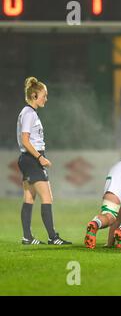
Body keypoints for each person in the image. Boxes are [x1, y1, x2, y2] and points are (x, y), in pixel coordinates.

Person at [17, 77, 71, 245]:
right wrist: (40, 158)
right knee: (47, 197)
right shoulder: (29, 113)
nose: (45, 99)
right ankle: (52, 237)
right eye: (44, 95)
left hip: (28, 158)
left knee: (29, 197)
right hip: (32, 158)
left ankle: (27, 237)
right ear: (34, 95)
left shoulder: (30, 113)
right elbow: (25, 140)